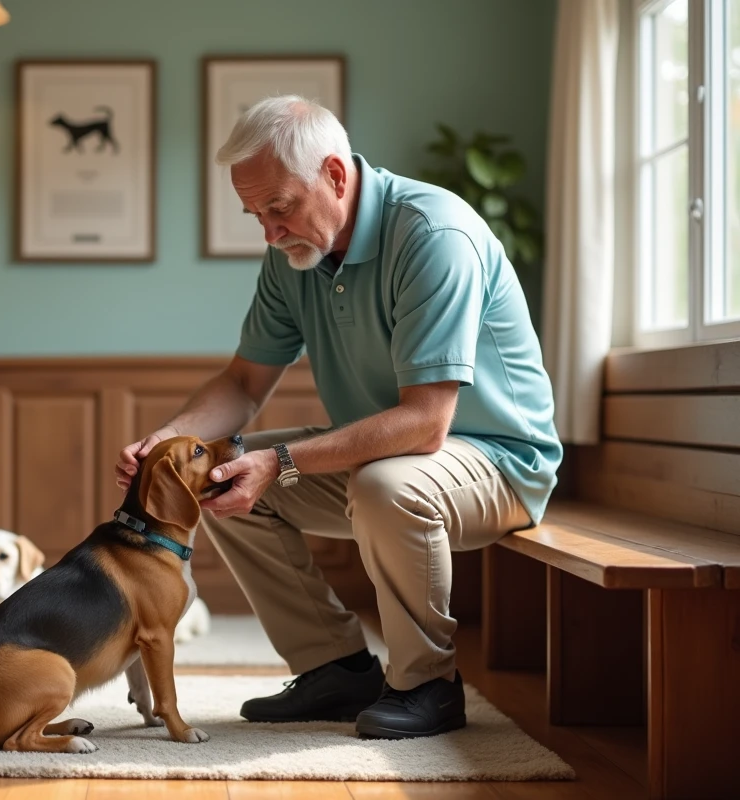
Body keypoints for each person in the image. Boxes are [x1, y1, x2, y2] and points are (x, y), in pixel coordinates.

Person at [114, 95, 562, 740]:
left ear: (335, 175)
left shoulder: (434, 235)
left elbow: (426, 424)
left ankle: (428, 684)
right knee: (216, 473)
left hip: (497, 462)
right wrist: (170, 440)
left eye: (279, 206)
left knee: (385, 486)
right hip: (387, 459)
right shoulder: (293, 256)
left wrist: (282, 462)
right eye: (255, 214)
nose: (269, 231)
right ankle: (336, 668)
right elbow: (243, 381)